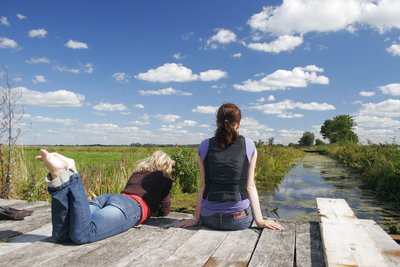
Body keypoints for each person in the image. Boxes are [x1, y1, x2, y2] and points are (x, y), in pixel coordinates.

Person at [176, 103, 284, 231]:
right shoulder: (249, 145)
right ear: (238, 124)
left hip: (209, 219)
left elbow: (203, 185)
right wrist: (259, 221)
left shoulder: (204, 145)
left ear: (217, 123)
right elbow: (250, 186)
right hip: (239, 220)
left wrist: (195, 218)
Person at [36, 149, 174, 244]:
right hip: (130, 206)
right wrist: (156, 209)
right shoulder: (165, 179)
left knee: (61, 234)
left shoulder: (138, 172)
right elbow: (165, 210)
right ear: (167, 165)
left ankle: (58, 177)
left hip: (109, 198)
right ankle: (71, 171)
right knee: (83, 234)